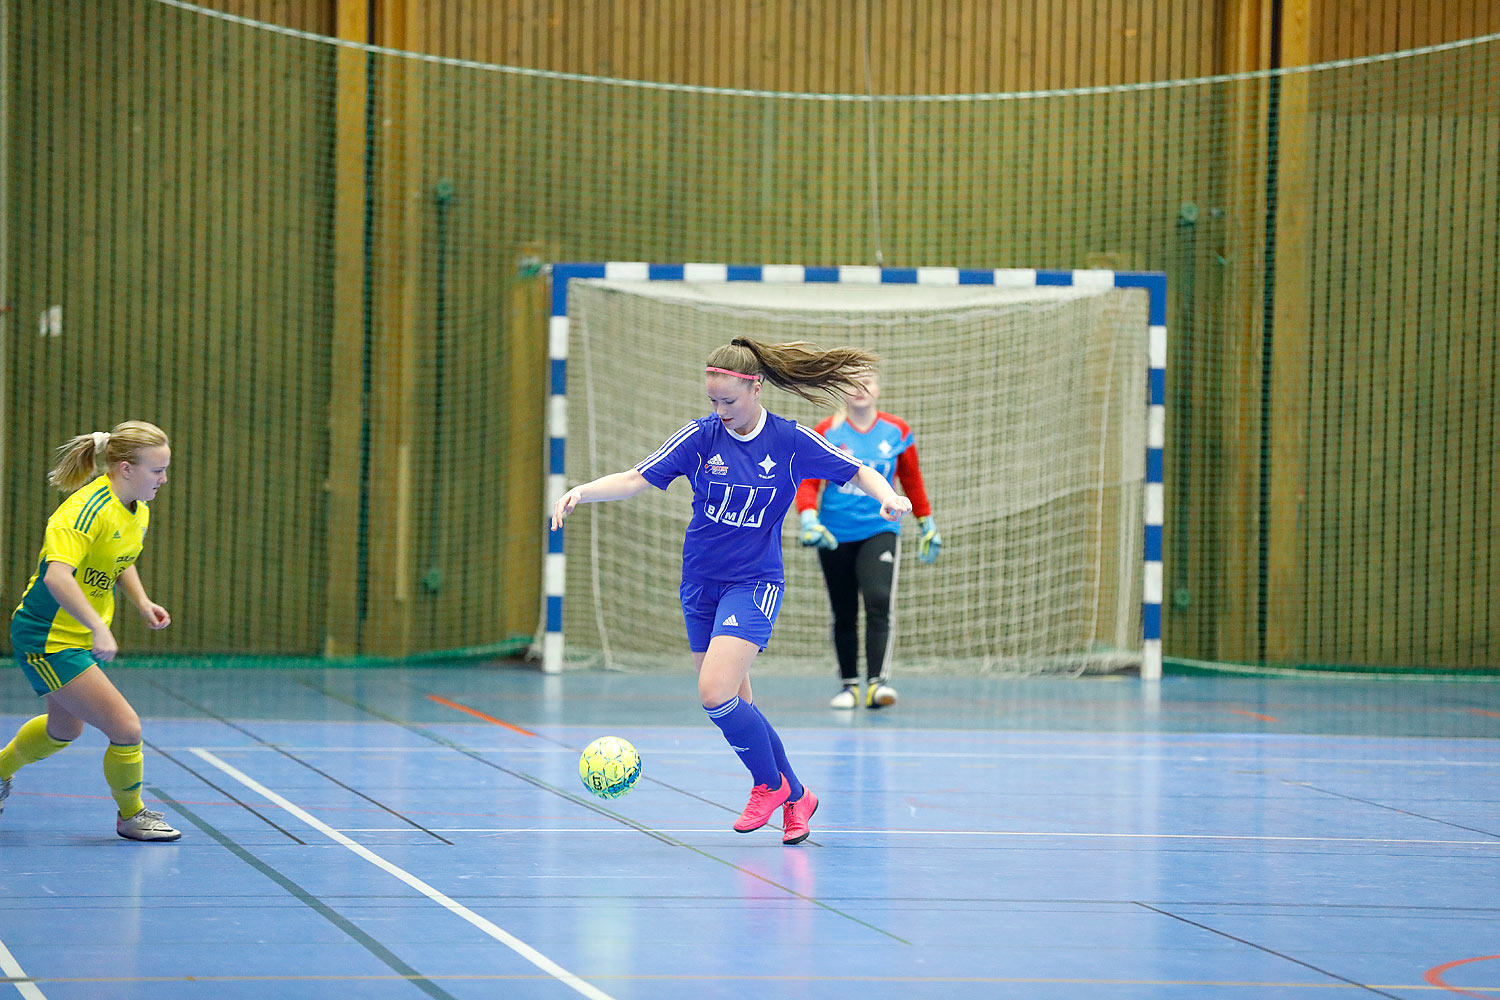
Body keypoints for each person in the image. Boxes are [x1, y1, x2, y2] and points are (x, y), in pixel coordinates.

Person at [552, 338, 911, 845]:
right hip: (699, 585)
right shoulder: (700, 438)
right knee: (737, 703)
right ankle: (797, 798)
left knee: (713, 693)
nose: (720, 412)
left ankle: (768, 783)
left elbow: (857, 470)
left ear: (755, 387)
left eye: (730, 402)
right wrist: (582, 491)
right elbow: (635, 478)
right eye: (713, 402)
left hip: (753, 583)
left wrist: (889, 496)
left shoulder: (789, 441)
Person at [1, 421, 180, 841]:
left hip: (74, 634)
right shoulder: (81, 512)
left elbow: (119, 558)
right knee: (126, 728)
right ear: (125, 468)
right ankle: (132, 816)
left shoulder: (136, 506)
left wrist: (141, 601)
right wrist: (99, 626)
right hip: (47, 636)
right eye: (157, 470)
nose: (164, 479)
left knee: (64, 730)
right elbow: (57, 579)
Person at [794, 370, 940, 710]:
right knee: (843, 610)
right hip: (834, 532)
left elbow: (911, 480)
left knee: (878, 598)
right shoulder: (827, 431)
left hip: (880, 528)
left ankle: (877, 684)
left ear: (879, 389)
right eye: (851, 384)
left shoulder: (897, 430)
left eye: (867, 383)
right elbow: (809, 481)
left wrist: (927, 523)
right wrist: (808, 516)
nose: (859, 390)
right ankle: (849, 686)